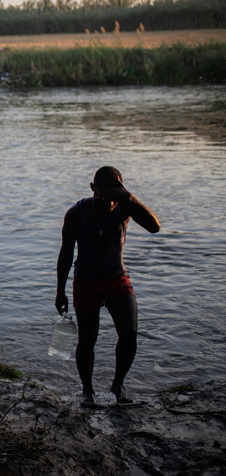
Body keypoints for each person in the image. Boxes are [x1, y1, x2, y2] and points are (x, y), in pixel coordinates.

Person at [56, 166, 161, 408]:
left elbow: (155, 227)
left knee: (129, 334)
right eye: (103, 196)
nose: (109, 203)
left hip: (117, 279)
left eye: (114, 196)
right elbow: (65, 254)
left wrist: (130, 198)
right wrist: (60, 291)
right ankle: (88, 391)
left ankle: (118, 383)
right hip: (86, 282)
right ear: (93, 189)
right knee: (87, 340)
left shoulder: (125, 207)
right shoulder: (76, 213)